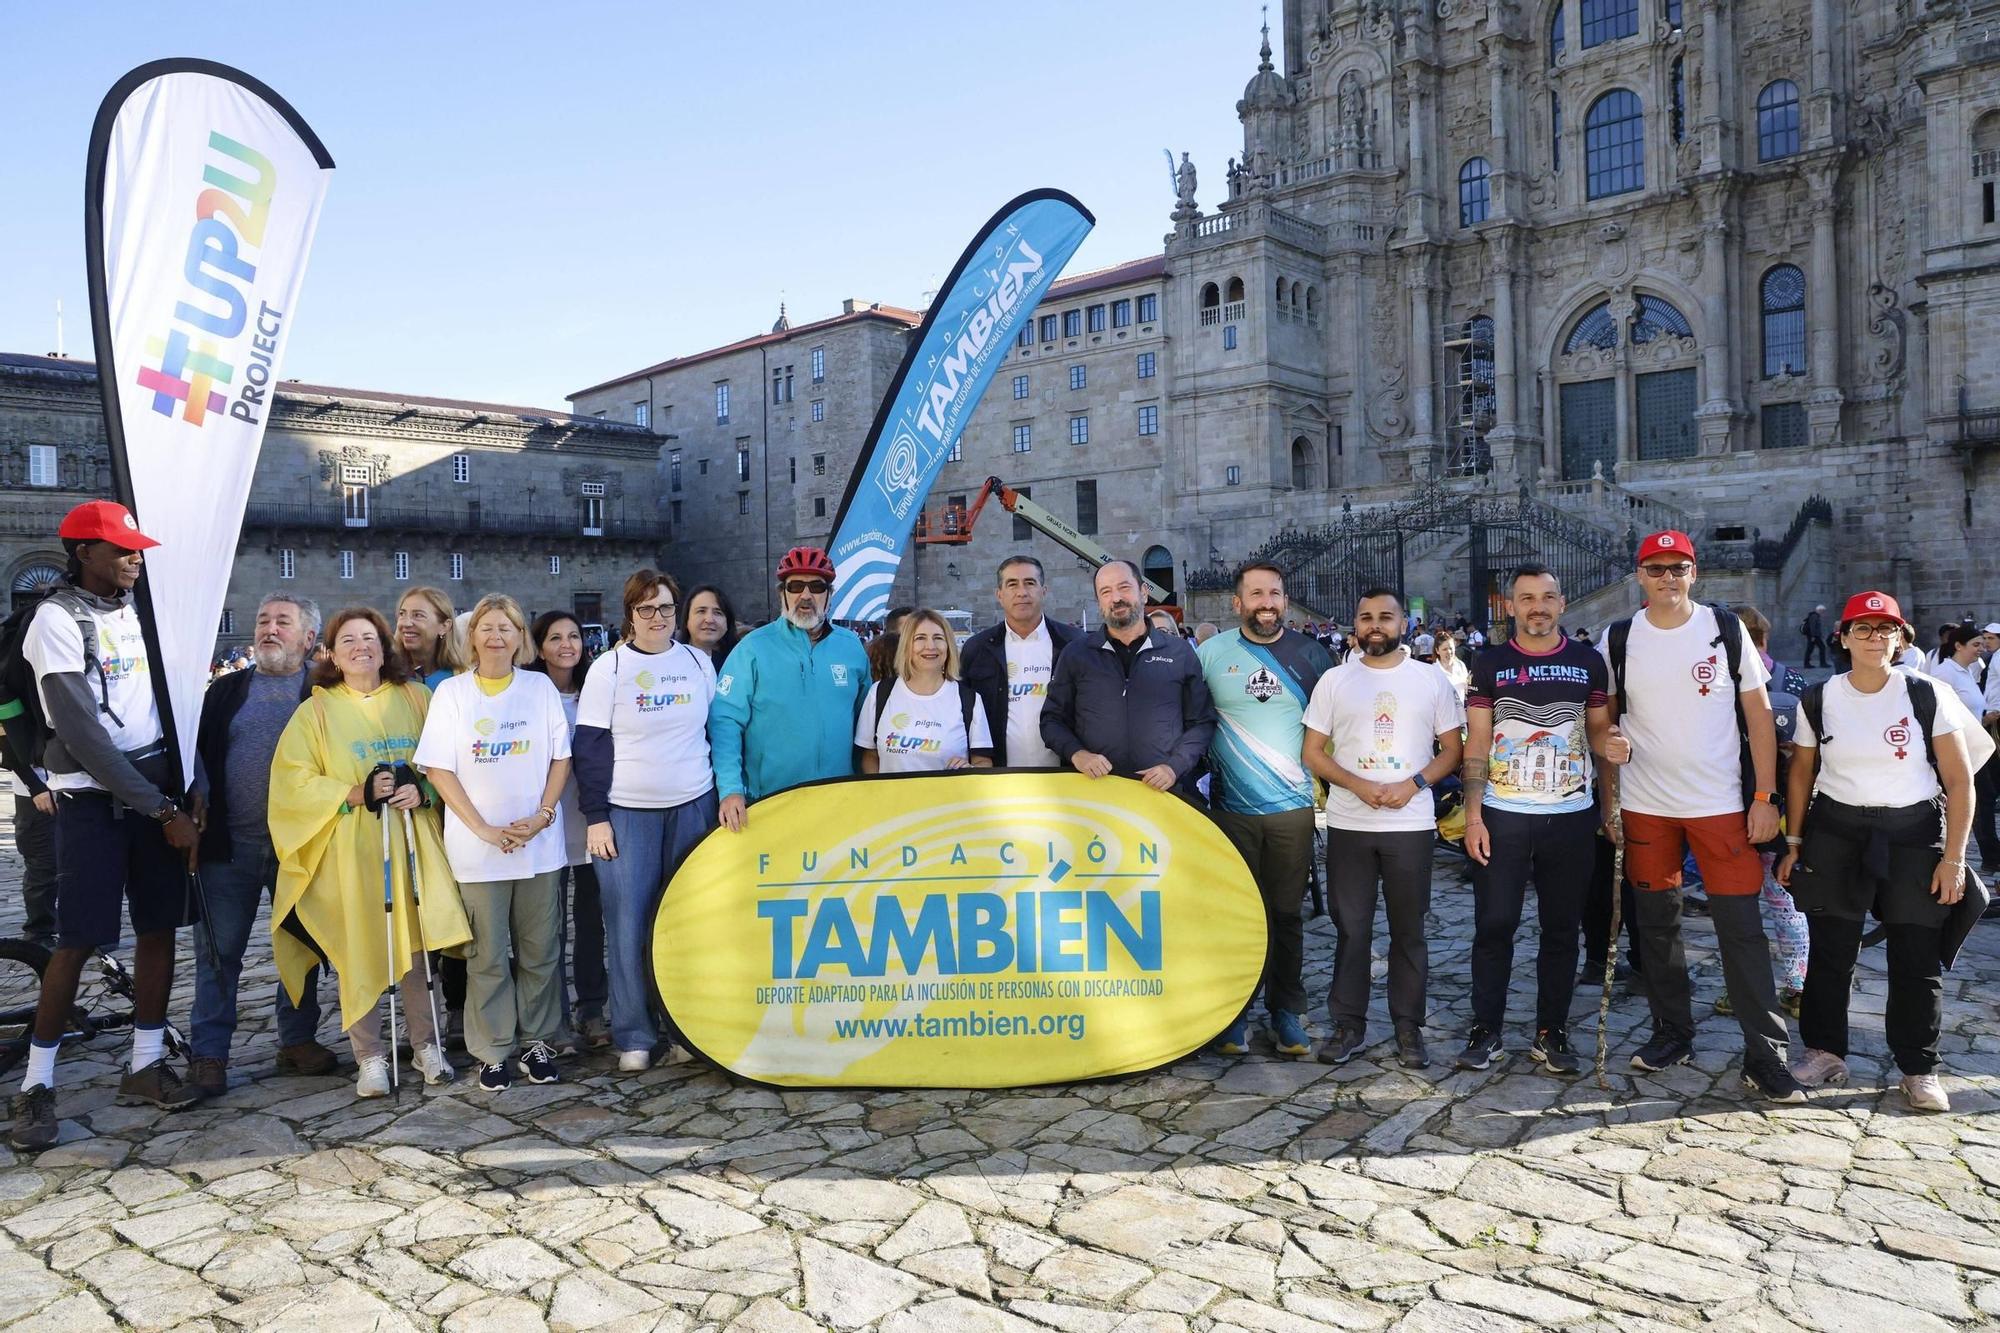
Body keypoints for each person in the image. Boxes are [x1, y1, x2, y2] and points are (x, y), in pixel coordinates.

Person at [9, 502, 205, 1151]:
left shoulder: (143, 613)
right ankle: (37, 1083)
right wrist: (163, 809)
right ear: (82, 551)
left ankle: (145, 1065)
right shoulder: (54, 621)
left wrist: (192, 783)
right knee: (79, 939)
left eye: (137, 548)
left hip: (156, 791)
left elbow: (175, 704)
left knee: (159, 928)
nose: (135, 557)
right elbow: (85, 736)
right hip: (95, 800)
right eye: (121, 549)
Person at [1598, 530, 1805, 1102]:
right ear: (1640, 574)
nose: (1668, 577)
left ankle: (1765, 1054)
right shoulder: (1617, 639)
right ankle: (1672, 1033)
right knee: (1658, 927)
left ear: (1695, 573)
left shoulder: (1723, 628)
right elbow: (1605, 724)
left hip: (1721, 806)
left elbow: (1759, 718)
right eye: (1656, 567)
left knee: (1740, 930)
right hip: (1647, 806)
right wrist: (1608, 779)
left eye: (1678, 567)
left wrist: (1765, 799)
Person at [1779, 592, 1979, 1112]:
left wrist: (1954, 857)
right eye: (1863, 629)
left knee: (1916, 957)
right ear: (1843, 638)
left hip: (1912, 834)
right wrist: (1794, 842)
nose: (1875, 638)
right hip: (1837, 831)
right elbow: (1801, 772)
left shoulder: (1926, 694)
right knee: (1831, 953)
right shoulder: (1819, 698)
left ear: (1901, 638)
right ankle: (1823, 1051)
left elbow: (1959, 782)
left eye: (1885, 629)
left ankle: (1918, 1068)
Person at [268, 607, 468, 1099]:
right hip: (351, 851)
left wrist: (423, 791)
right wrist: (355, 792)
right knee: (362, 949)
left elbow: (450, 761)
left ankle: (426, 1044)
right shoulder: (315, 711)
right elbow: (293, 780)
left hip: (412, 841)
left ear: (385, 647)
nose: (361, 647)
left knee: (416, 948)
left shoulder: (417, 697)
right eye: (349, 640)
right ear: (331, 654)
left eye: (370, 638)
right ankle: (370, 1055)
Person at [1456, 564, 1626, 1076]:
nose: (1538, 607)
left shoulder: (1587, 662)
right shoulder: (1489, 663)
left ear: (1562, 602)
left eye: (1547, 597)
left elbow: (1598, 732)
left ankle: (1551, 1031)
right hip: (1503, 815)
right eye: (1527, 598)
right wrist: (1471, 817)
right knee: (1495, 925)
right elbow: (1478, 742)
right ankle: (1486, 1029)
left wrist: (1611, 751)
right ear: (1510, 606)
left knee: (1561, 930)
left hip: (1571, 817)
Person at [416, 595, 573, 1092]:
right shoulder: (453, 695)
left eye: (507, 627)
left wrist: (543, 815)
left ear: (521, 637)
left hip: (538, 844)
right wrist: (483, 828)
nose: (497, 636)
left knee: (540, 949)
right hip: (478, 849)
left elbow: (560, 759)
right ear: (471, 638)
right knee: (486, 954)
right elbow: (438, 769)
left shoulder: (539, 687)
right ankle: (491, 1049)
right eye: (487, 627)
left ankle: (538, 1041)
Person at [1303, 586, 1464, 1069]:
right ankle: (1348, 1024)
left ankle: (1408, 1027)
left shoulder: (1431, 680)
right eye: (1367, 617)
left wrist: (1413, 785)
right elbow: (1312, 753)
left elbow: (1452, 750)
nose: (1376, 625)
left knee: (1408, 929)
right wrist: (1354, 783)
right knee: (1352, 928)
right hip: (1351, 823)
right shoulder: (1334, 680)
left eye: (1386, 617)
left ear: (1403, 625)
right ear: (1356, 624)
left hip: (1409, 824)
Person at [186, 594, 338, 1098]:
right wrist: (198, 795)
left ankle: (296, 1040)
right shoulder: (227, 691)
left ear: (308, 638)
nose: (269, 629)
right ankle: (209, 1054)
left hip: (299, 849)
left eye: (283, 622)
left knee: (302, 948)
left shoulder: (323, 693)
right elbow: (198, 755)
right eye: (263, 620)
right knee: (218, 952)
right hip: (230, 848)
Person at [576, 569, 719, 1071]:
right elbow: (589, 749)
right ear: (630, 615)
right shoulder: (608, 669)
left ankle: (685, 1030)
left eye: (665, 608)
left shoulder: (699, 663)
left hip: (692, 805)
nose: (656, 618)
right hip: (626, 812)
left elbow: (715, 733)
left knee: (687, 921)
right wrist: (596, 817)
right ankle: (635, 1034)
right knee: (628, 922)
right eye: (645, 609)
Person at [1198, 563, 1334, 1059]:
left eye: (1274, 592)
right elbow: (1191, 724)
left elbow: (1336, 729)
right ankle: (1233, 1011)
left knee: (1286, 914)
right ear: (1238, 603)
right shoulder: (1210, 654)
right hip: (1230, 810)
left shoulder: (1312, 655)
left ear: (1285, 599)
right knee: (1236, 915)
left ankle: (1285, 1011)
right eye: (1255, 593)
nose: (1266, 601)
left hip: (1292, 811)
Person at [711, 546, 871, 832]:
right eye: (796, 586)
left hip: (837, 798)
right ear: (782, 593)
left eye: (817, 586)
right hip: (770, 801)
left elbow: (865, 721)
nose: (806, 595)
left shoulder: (851, 647)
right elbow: (725, 721)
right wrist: (730, 789)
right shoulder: (753, 648)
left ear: (829, 595)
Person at [1042, 560, 1215, 799]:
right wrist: (1077, 754)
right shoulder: (1076, 654)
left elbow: (1202, 722)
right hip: (1096, 794)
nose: (1116, 598)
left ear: (1143, 592)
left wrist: (1174, 767)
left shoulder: (1179, 653)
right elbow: (1051, 720)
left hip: (1164, 795)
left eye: (1124, 587)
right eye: (1106, 592)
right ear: (1099, 602)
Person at [525, 610, 607, 1051]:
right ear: (540, 648)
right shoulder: (530, 695)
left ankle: (592, 1008)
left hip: (590, 820)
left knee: (592, 922)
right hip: (548, 823)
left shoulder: (597, 688)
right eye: (555, 638)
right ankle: (552, 1017)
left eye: (573, 636)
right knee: (548, 926)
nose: (566, 645)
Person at [958, 555, 1080, 769]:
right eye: (1012, 584)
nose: (1022, 592)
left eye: (1030, 583)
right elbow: (964, 713)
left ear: (1044, 590)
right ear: (999, 594)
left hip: (1068, 776)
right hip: (1000, 780)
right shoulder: (976, 649)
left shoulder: (1075, 644)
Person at [856, 608, 994, 772]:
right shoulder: (879, 693)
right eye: (920, 638)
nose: (930, 646)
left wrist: (970, 768)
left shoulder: (969, 700)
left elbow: (983, 762)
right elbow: (869, 756)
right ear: (907, 645)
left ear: (948, 645)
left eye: (938, 638)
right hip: (893, 797)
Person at [1931, 625, 2000, 872]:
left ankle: (1989, 853)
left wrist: (1985, 718)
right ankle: (1988, 854)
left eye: (1982, 644)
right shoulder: (1944, 673)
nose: (1981, 650)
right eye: (1976, 645)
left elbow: (1969, 709)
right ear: (1958, 645)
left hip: (1974, 748)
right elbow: (1938, 713)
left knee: (1985, 799)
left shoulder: (1968, 671)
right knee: (1981, 799)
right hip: (1956, 750)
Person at [681, 585, 740, 672]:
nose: (709, 620)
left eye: (718, 613)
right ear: (687, 619)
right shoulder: (670, 661)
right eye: (701, 611)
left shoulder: (739, 664)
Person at [1433, 630, 1470, 702]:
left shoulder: (1460, 665)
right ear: (1437, 651)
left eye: (1451, 648)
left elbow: (1467, 689)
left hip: (1461, 711)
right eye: (1444, 649)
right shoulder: (1433, 670)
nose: (1449, 652)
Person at [1801, 605, 1829, 669]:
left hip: (1814, 636)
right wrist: (1813, 636)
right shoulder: (1814, 616)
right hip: (1814, 636)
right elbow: (1812, 627)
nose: (1823, 613)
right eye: (1822, 611)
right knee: (1821, 648)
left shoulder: (1815, 616)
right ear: (1819, 610)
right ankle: (1822, 663)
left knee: (1810, 649)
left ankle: (1807, 664)